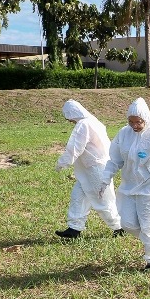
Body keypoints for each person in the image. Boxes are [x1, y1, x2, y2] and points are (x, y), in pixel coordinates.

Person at [100, 97, 150, 270]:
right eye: (131, 122)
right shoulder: (123, 134)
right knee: (127, 224)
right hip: (129, 187)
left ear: (147, 119)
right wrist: (105, 178)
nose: (134, 126)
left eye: (139, 122)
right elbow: (114, 159)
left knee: (149, 225)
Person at [54, 100, 123, 239]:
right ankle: (74, 229)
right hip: (90, 169)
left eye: (69, 118)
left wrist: (63, 162)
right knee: (78, 196)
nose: (70, 121)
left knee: (103, 200)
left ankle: (120, 227)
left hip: (96, 169)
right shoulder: (93, 121)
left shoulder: (83, 124)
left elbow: (75, 147)